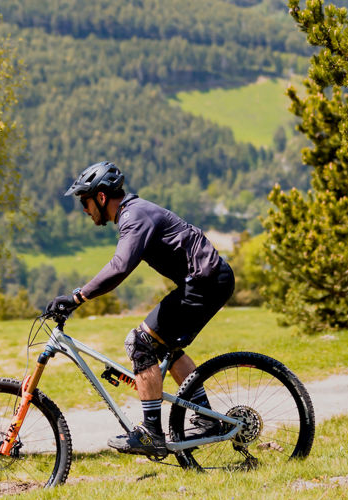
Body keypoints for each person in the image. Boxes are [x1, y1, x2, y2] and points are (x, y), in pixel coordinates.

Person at [45, 160, 235, 458]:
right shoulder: (133, 214)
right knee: (163, 347)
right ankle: (207, 420)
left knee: (140, 342)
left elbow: (120, 267)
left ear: (101, 197)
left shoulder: (135, 216)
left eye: (85, 202)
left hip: (205, 281)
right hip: (206, 280)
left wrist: (77, 297)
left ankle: (151, 434)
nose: (84, 210)